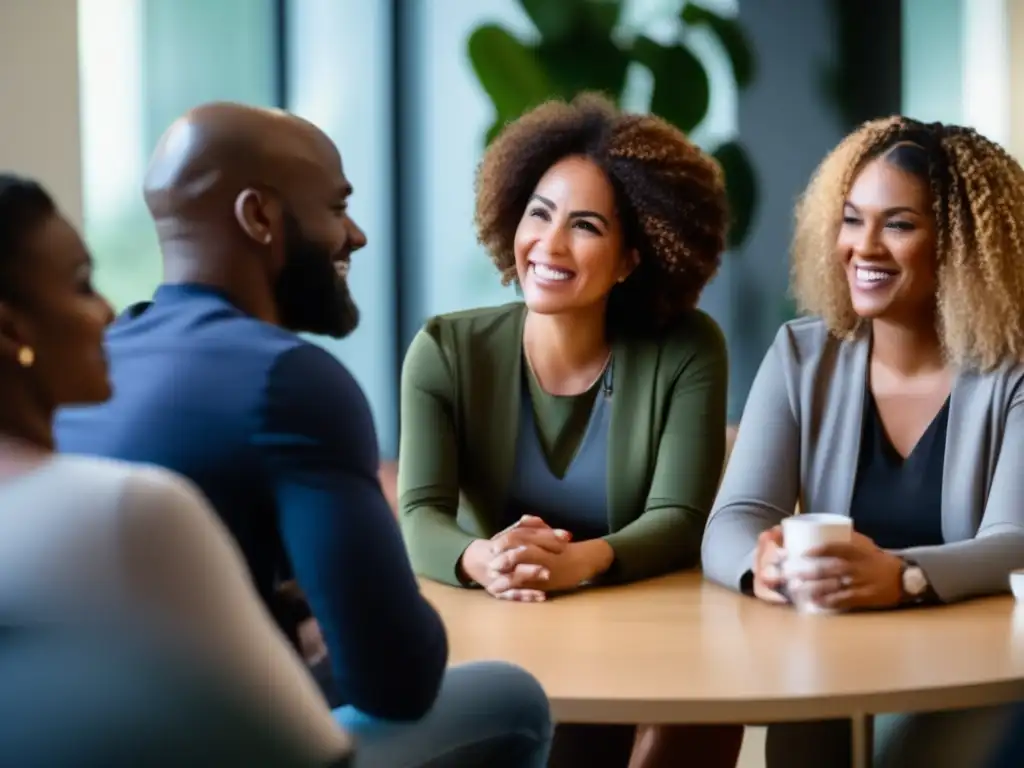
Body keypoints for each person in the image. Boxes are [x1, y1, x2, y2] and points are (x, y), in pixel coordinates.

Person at [53, 105, 552, 767]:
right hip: (221, 747)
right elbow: (396, 680)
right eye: (336, 207)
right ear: (258, 217)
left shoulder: (99, 361)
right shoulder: (288, 380)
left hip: (99, 738)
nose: (356, 235)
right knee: (512, 697)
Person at [398, 93, 741, 767]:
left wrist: (578, 561)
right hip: (509, 629)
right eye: (539, 214)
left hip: (648, 635)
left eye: (585, 226)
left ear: (631, 258)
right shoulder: (443, 350)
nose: (549, 245)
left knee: (702, 724)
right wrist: (485, 559)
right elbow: (419, 513)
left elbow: (679, 516)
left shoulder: (688, 348)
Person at [701, 117, 1024, 767]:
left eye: (898, 224)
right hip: (828, 665)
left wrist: (902, 578)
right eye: (852, 219)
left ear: (961, 245)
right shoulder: (802, 352)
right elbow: (735, 518)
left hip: (979, 677)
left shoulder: (1011, 370)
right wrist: (759, 567)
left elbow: (1015, 541)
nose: (864, 246)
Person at [0, 173, 350, 766]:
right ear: (11, 330)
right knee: (506, 695)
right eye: (83, 286)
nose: (109, 309)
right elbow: (314, 752)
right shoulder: (133, 508)